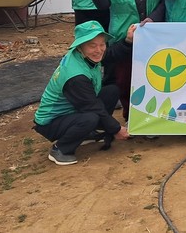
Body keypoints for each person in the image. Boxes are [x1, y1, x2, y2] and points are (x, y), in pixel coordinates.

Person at [88, 0, 165, 119]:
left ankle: (153, 116)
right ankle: (131, 116)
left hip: (152, 34)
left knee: (154, 76)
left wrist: (153, 18)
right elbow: (103, 5)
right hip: (124, 36)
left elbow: (165, 1)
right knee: (124, 79)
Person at [33, 21, 129, 166]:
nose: (99, 50)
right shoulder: (76, 77)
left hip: (72, 109)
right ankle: (60, 149)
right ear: (80, 46)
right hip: (51, 121)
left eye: (102, 44)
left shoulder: (85, 55)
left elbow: (111, 54)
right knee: (90, 117)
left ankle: (86, 133)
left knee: (111, 91)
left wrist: (128, 41)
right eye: (92, 45)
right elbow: (92, 106)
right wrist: (116, 129)